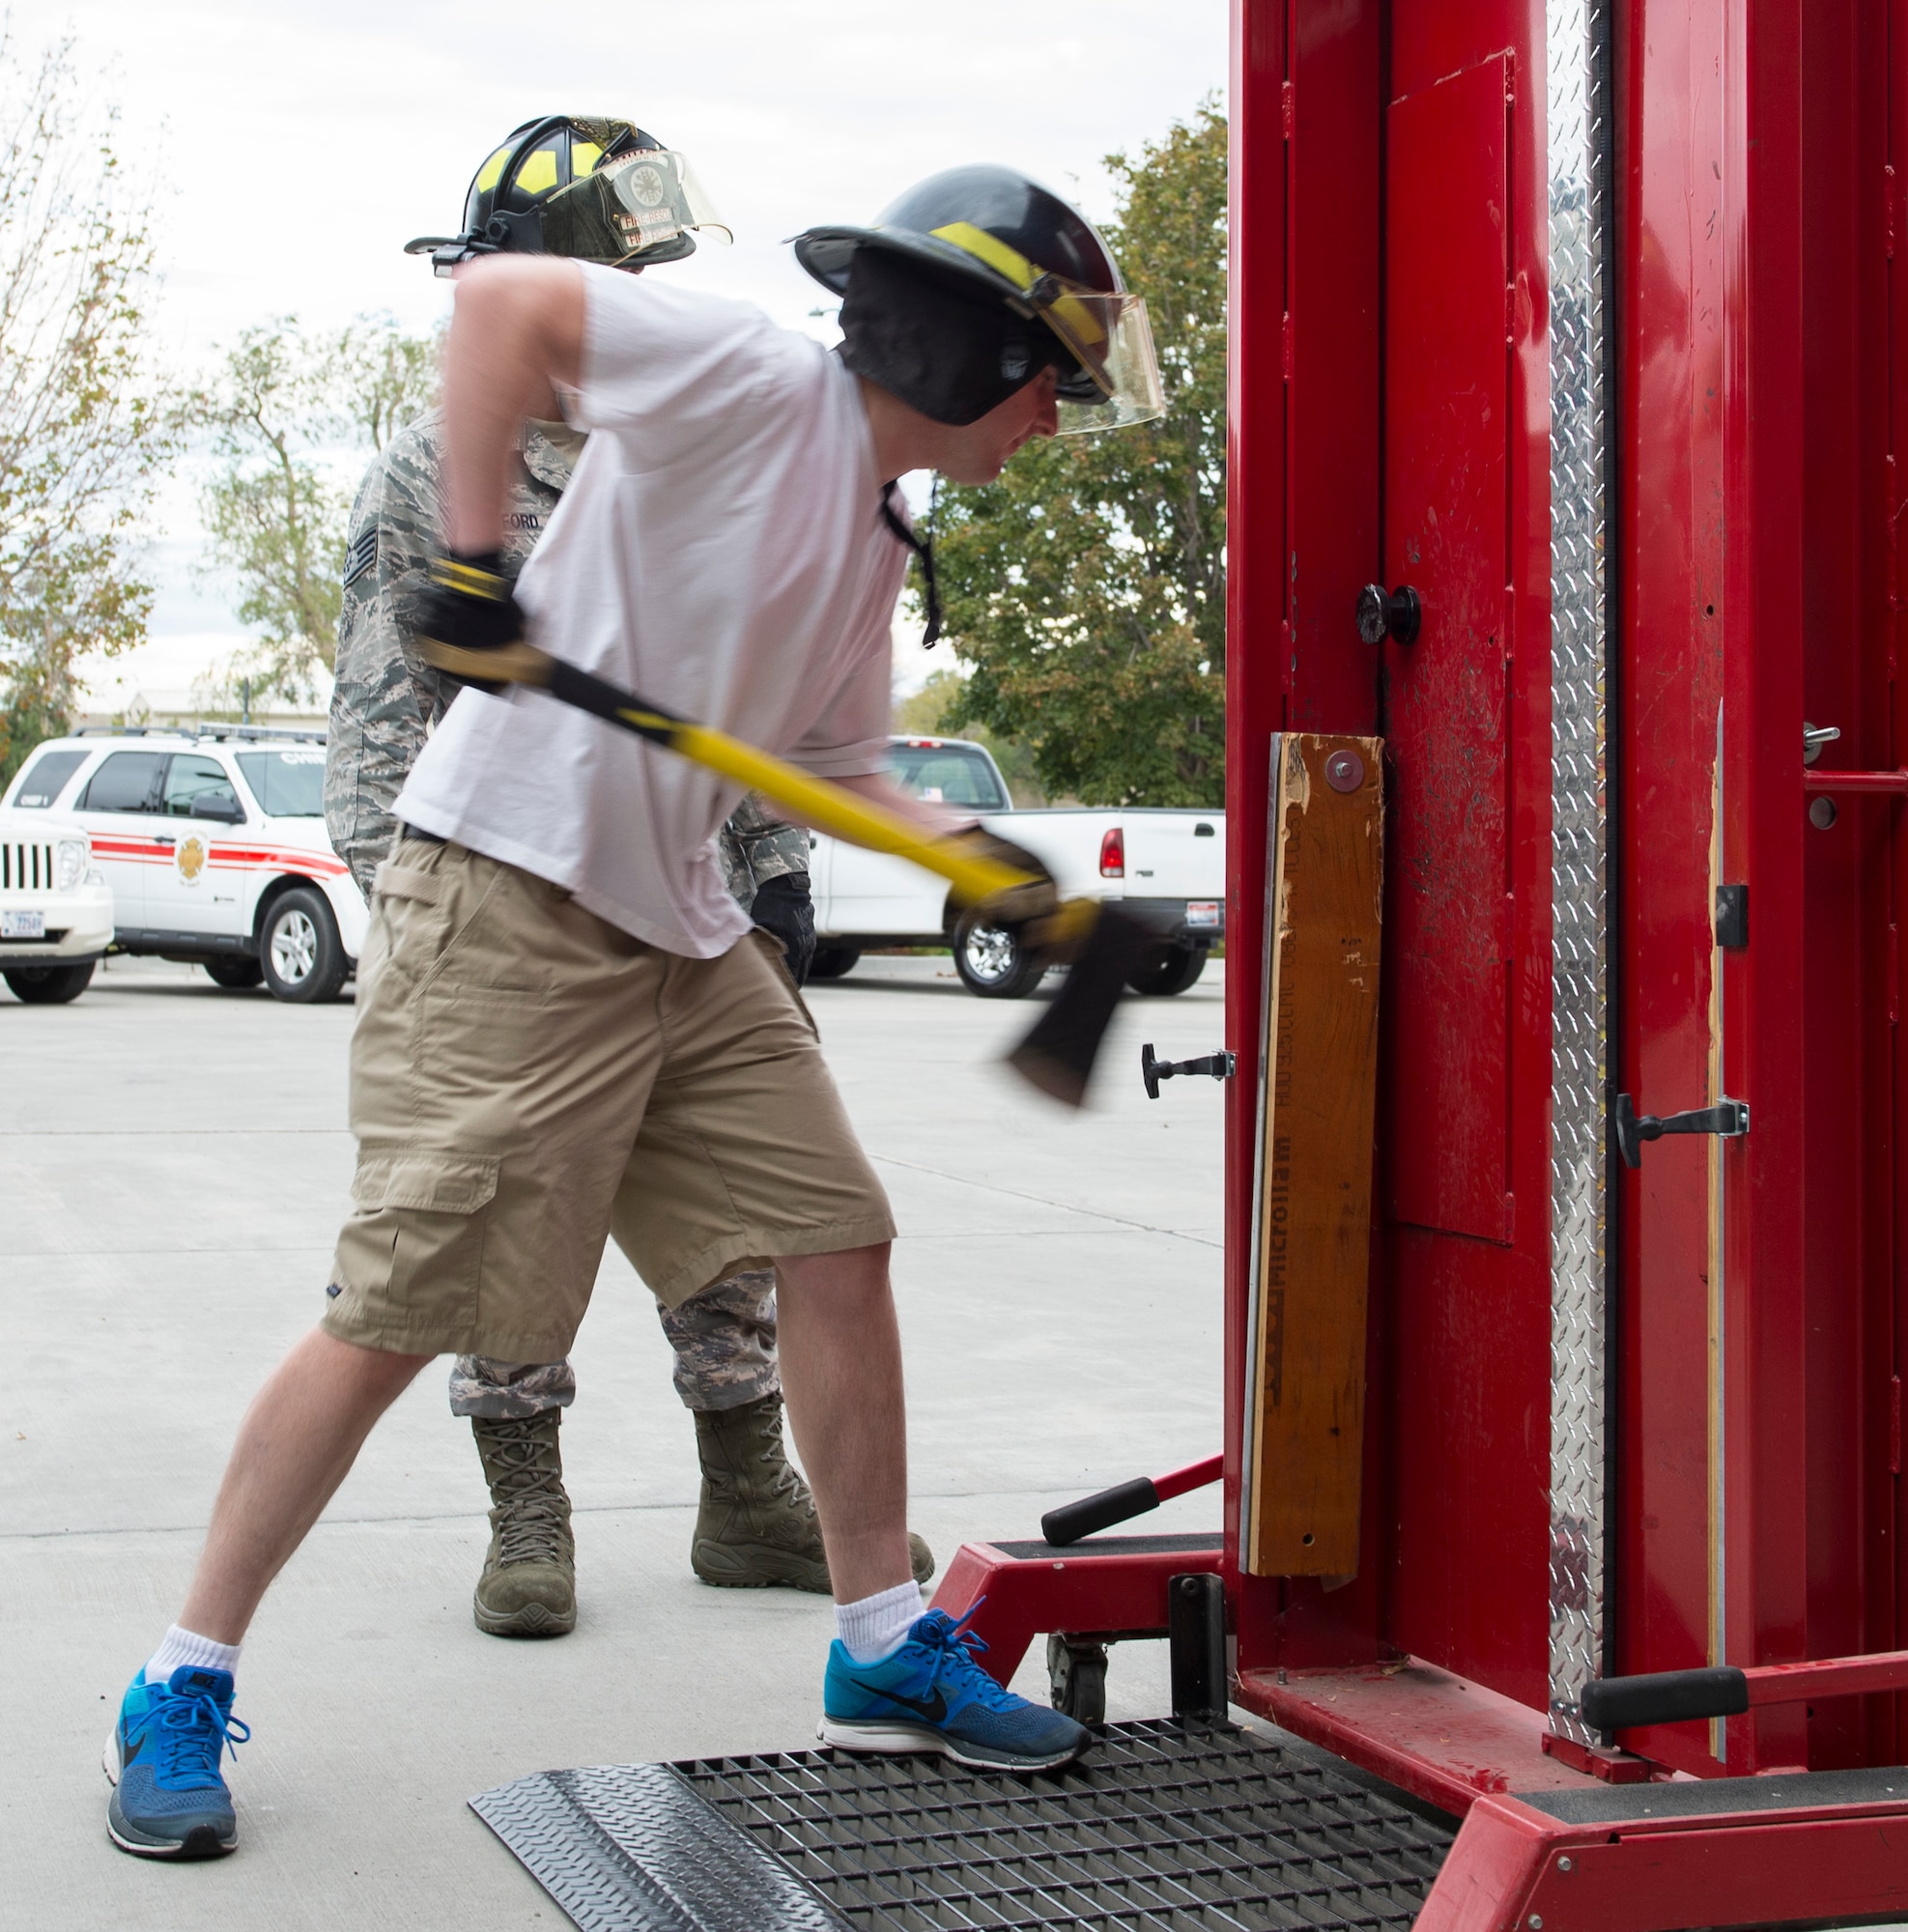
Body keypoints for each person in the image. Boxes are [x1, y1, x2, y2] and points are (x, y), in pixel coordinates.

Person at [106, 161, 1164, 1861]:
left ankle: (884, 1645)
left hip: (680, 926)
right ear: (970, 355)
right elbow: (501, 306)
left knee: (838, 1236)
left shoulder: (875, 538)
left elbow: (827, 770)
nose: (1060, 414)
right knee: (406, 1304)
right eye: (1054, 375)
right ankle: (178, 1676)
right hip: (508, 895)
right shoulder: (749, 377)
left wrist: (1005, 870)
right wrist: (469, 560)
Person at [324, 116, 928, 1642]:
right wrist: (416, 909)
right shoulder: (434, 465)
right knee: (503, 1225)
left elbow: (773, 691)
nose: (648, 285)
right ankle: (525, 1501)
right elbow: (388, 709)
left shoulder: (698, 425)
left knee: (745, 1232)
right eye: (628, 265)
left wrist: (780, 872)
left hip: (685, 886)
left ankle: (746, 1491)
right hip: (500, 882)